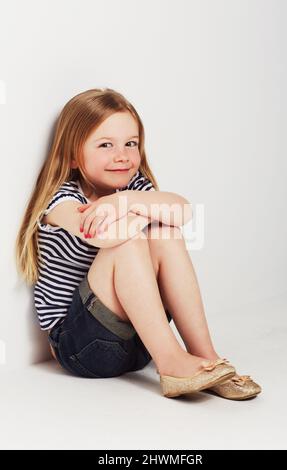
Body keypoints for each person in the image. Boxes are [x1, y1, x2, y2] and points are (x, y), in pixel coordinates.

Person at [15, 88, 261, 399]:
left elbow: (183, 211)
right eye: (106, 145)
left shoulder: (131, 189)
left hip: (141, 342)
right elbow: (106, 236)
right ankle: (172, 364)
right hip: (82, 348)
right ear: (73, 156)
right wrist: (144, 213)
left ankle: (205, 356)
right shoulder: (62, 200)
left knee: (166, 232)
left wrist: (128, 201)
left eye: (131, 144)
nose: (123, 156)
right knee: (132, 239)